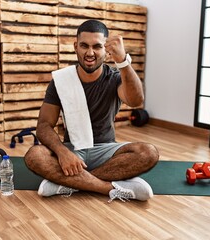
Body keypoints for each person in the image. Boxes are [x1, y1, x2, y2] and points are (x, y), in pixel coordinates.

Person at [24, 20, 159, 202]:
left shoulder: (116, 78)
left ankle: (68, 183)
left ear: (106, 50)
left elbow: (136, 101)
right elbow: (44, 126)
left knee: (148, 153)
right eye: (84, 46)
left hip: (106, 150)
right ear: (75, 47)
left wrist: (123, 62)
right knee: (35, 156)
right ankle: (107, 188)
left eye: (97, 46)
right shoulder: (61, 80)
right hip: (73, 149)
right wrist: (63, 153)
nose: (90, 53)